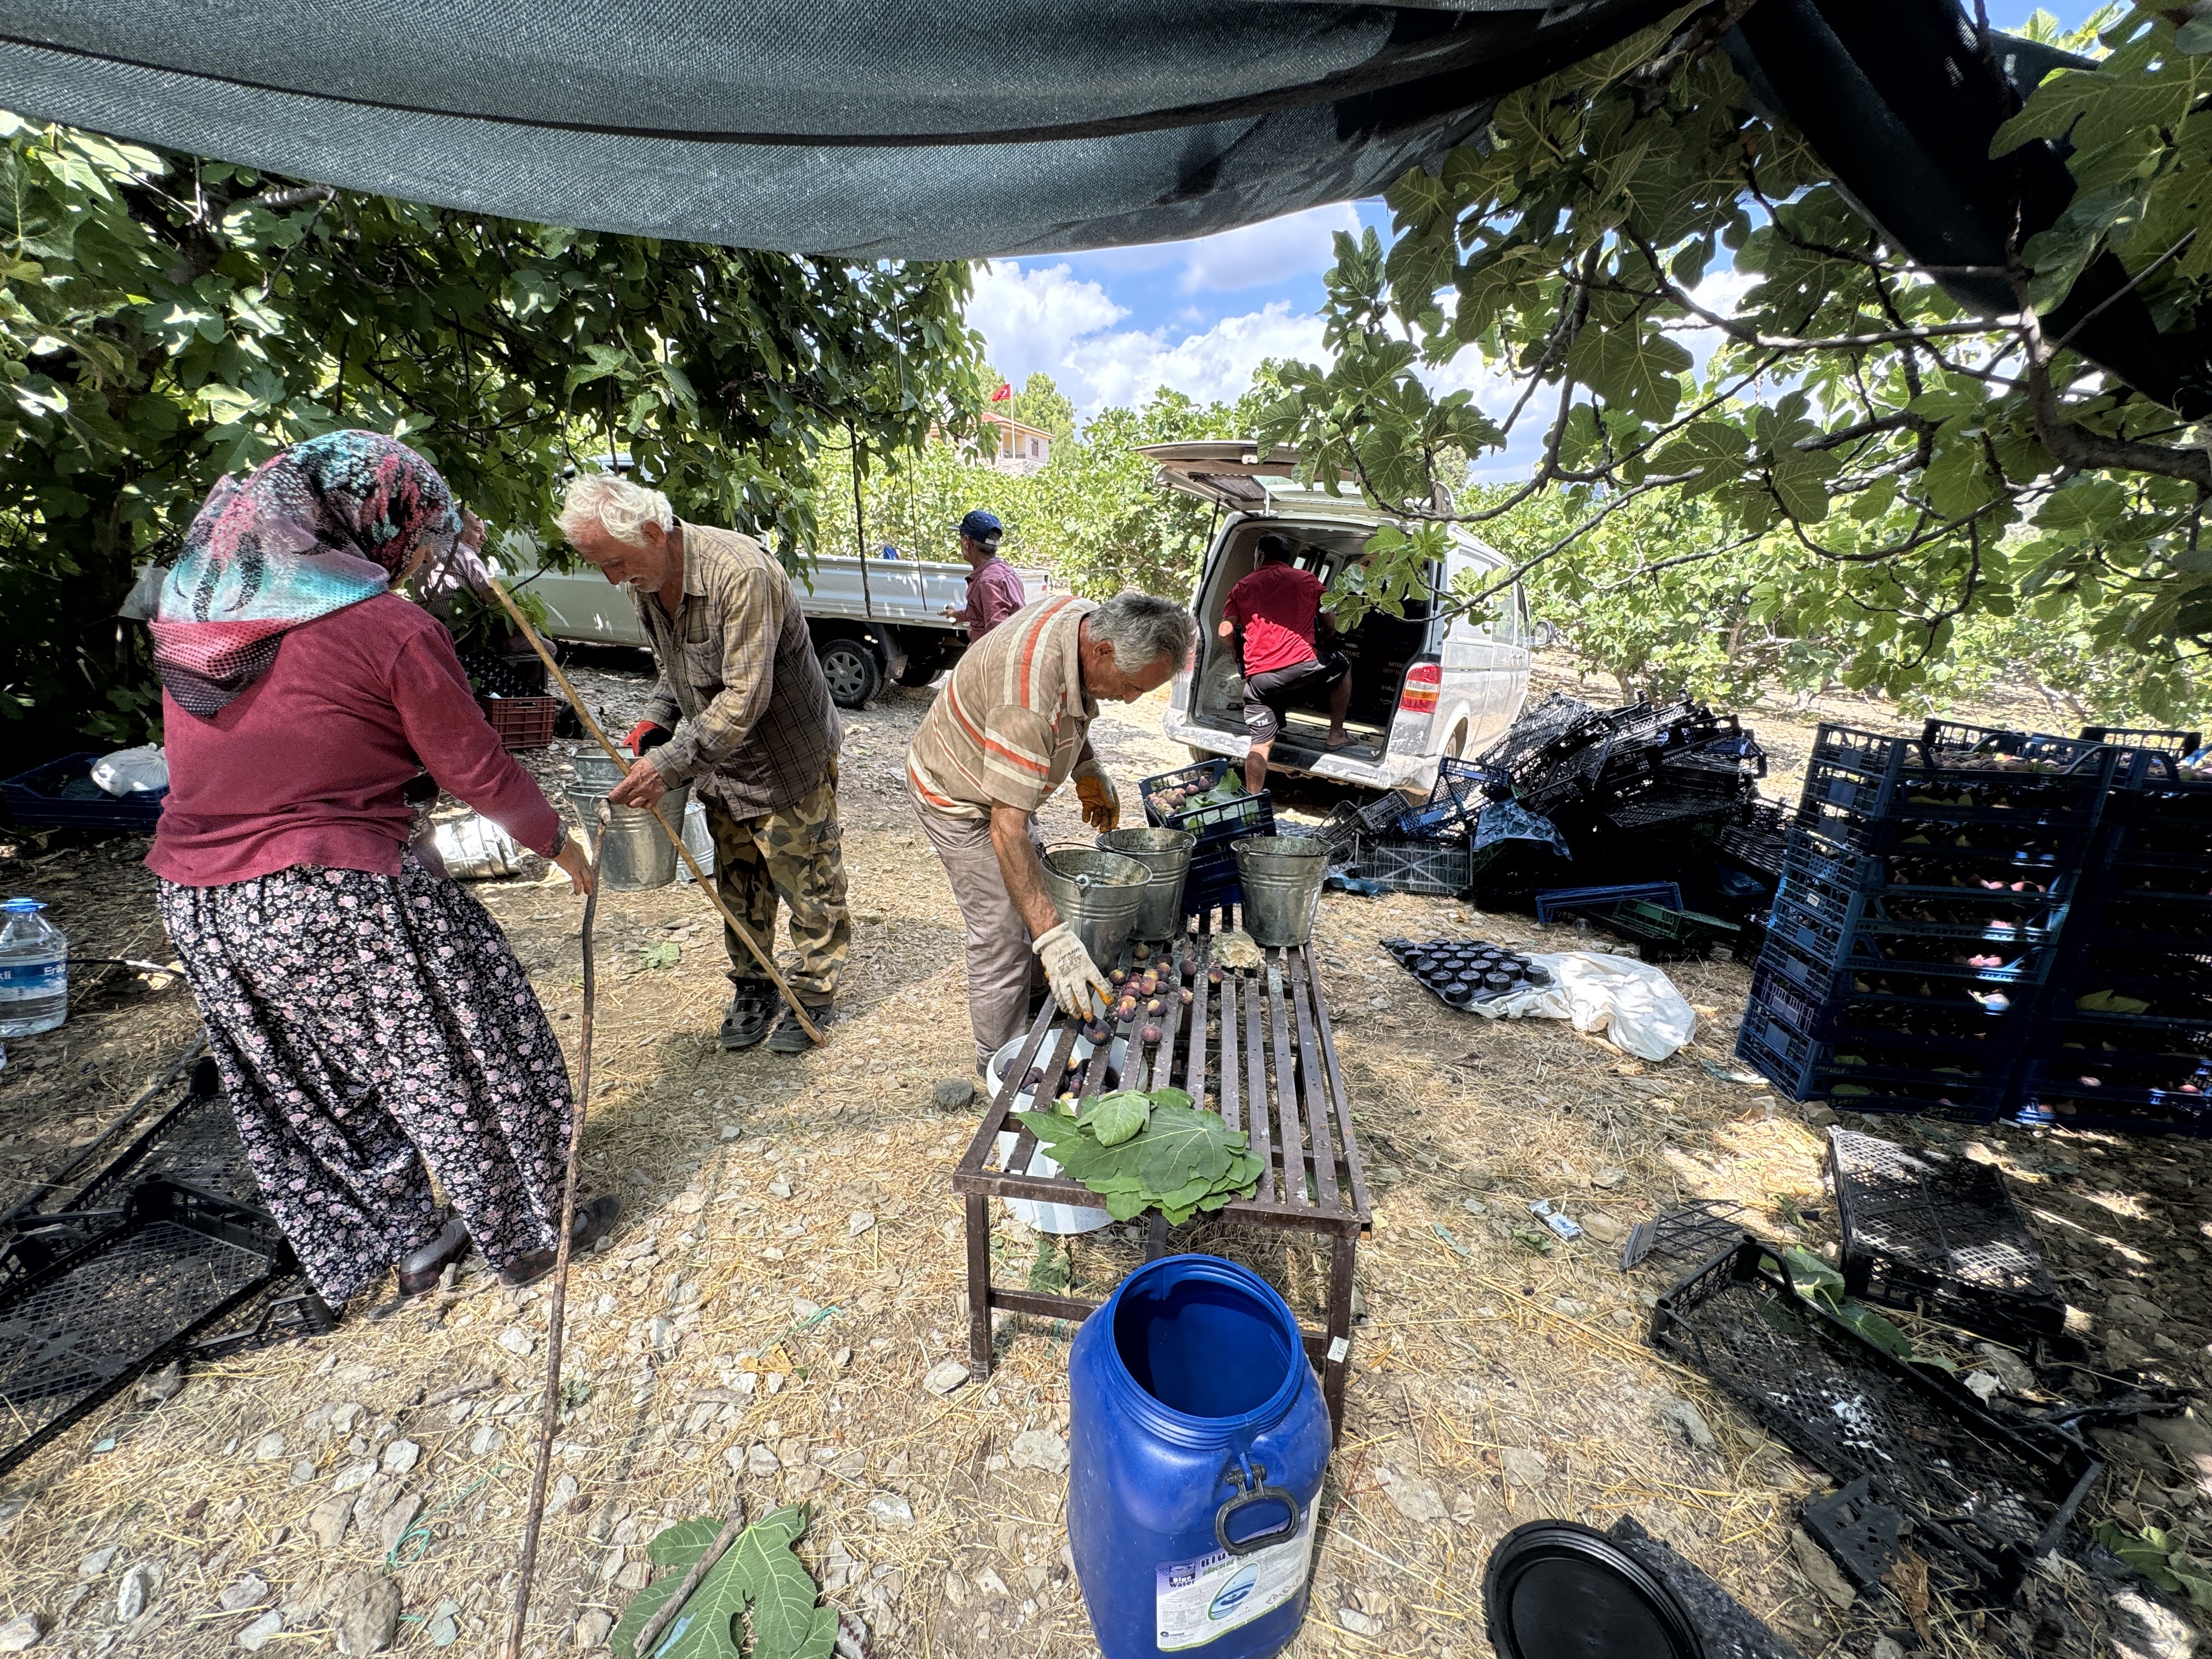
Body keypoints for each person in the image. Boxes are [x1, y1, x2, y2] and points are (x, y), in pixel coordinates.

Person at [136, 431, 617, 1310]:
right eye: (417, 533)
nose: (416, 556)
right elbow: (476, 768)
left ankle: (413, 1243)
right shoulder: (385, 626)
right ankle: (531, 1232)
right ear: (375, 522)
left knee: (321, 1085)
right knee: (472, 1052)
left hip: (201, 905)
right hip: (331, 887)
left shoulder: (202, 615)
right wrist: (559, 844)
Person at [562, 473, 850, 1055]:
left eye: (615, 562)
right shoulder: (648, 579)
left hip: (784, 760)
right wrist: (654, 722)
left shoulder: (740, 574)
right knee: (739, 884)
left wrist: (669, 764)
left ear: (651, 531)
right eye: (602, 566)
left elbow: (746, 695)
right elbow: (675, 670)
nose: (613, 579)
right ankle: (755, 985)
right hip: (720, 765)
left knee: (808, 882)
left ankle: (814, 993)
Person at [906, 591, 1197, 1074]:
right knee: (1004, 932)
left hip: (1001, 782)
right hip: (958, 795)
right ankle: (999, 1064)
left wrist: (1087, 766)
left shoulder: (1084, 619)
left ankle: (1041, 1001)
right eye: (1130, 686)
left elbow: (1075, 701)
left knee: (1035, 902)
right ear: (1103, 650)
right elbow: (1006, 827)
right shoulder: (1028, 700)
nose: (1128, 700)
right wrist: (1053, 941)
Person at [1218, 532, 1352, 794]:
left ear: (1261, 556)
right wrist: (1323, 641)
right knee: (1343, 663)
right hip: (1304, 669)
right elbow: (1331, 623)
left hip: (1261, 681)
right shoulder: (1307, 580)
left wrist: (1235, 652)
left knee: (1260, 744)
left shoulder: (1242, 586)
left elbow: (1224, 631)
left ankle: (1253, 800)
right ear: (1287, 558)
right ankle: (1336, 734)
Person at [943, 508, 1027, 642]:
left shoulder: (988, 581)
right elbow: (983, 613)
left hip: (988, 658)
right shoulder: (1004, 570)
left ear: (966, 542)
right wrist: (958, 615)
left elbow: (998, 631)